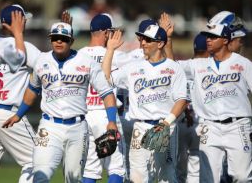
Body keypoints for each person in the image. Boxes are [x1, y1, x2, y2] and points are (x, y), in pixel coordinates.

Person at [2, 22, 120, 183]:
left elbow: (107, 93)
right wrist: (18, 114)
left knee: (73, 179)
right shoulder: (41, 60)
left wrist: (112, 121)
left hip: (78, 128)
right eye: (55, 38)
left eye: (63, 39)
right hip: (49, 127)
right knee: (40, 176)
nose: (59, 42)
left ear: (71, 41)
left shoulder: (86, 61)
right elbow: (32, 90)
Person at [102, 24, 187, 183]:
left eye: (148, 40)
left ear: (160, 43)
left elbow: (182, 100)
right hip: (140, 127)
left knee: (167, 177)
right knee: (137, 178)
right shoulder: (133, 68)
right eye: (143, 39)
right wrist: (110, 50)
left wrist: (166, 123)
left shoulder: (174, 68)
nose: (143, 43)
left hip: (165, 126)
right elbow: (106, 78)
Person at [179, 20, 252, 182]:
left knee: (242, 177)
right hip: (209, 126)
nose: (208, 40)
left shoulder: (243, 64)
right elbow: (172, 65)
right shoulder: (199, 65)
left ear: (225, 40)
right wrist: (168, 39)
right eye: (207, 37)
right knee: (208, 178)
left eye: (213, 37)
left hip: (238, 125)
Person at [78, 13, 125, 183]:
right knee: (116, 167)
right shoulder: (115, 55)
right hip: (106, 114)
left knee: (90, 169)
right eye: (111, 32)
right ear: (106, 33)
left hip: (85, 115)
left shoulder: (78, 55)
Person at [0, 4, 41, 183]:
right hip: (9, 113)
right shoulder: (24, 47)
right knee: (37, 161)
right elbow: (49, 68)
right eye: (24, 19)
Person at [176, 33, 208, 183]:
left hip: (180, 121)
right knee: (196, 169)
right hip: (200, 123)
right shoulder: (212, 67)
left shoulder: (181, 65)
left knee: (178, 170)